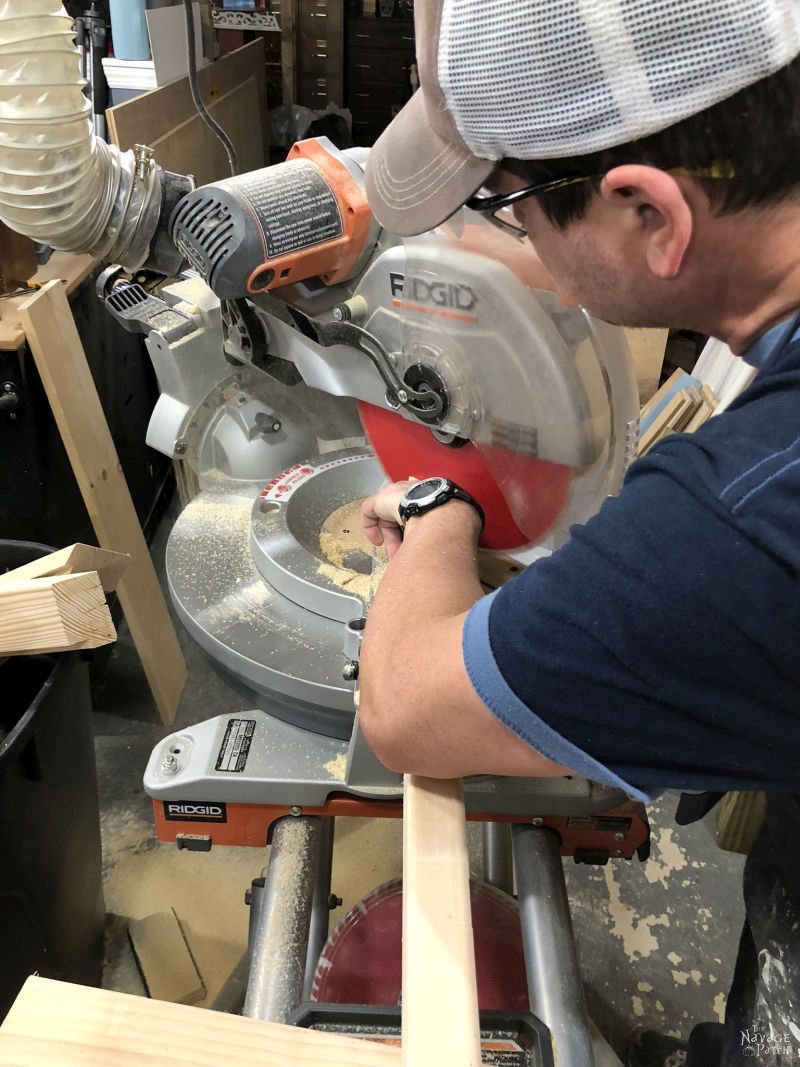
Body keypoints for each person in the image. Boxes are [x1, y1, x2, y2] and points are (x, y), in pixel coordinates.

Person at [355, 1, 800, 1064]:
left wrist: (434, 506)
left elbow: (406, 705)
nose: (515, 246)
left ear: (649, 211)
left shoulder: (744, 513)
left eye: (511, 209)